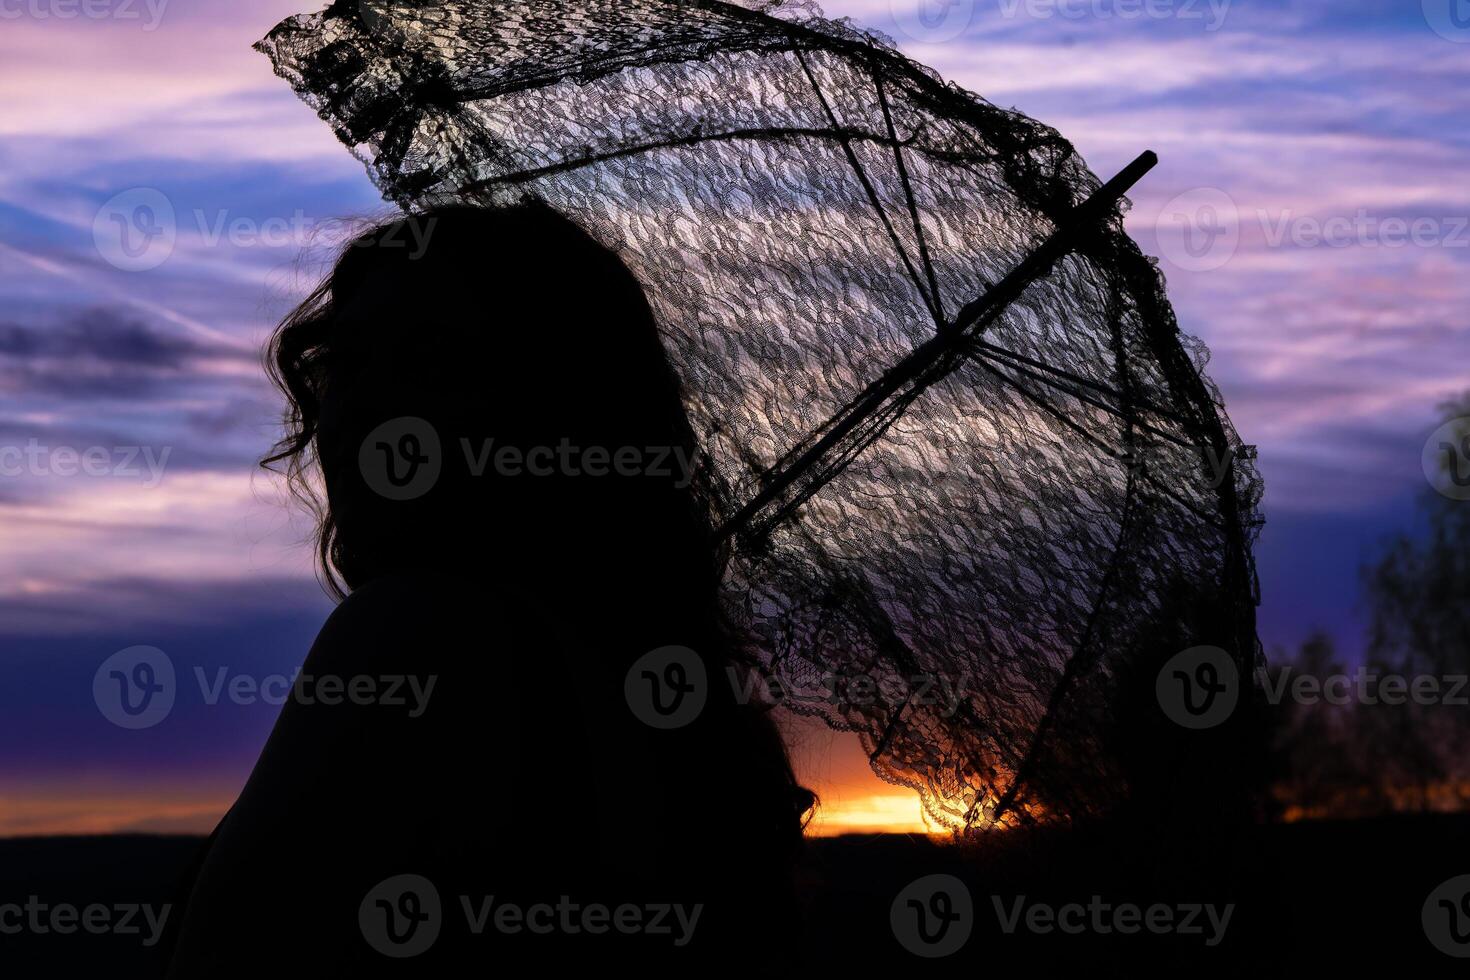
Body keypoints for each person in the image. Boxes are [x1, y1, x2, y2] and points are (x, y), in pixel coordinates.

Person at [165, 202, 814, 976]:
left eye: (431, 365)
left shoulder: (416, 635)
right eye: (346, 365)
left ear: (555, 407)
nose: (361, 412)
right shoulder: (676, 709)